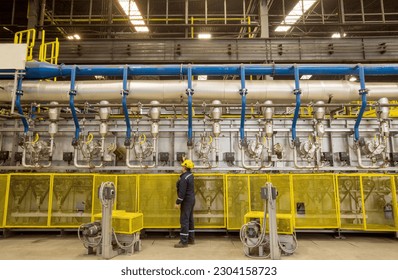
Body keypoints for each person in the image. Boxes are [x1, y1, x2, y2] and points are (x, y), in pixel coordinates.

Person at [174, 159, 195, 248]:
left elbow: (182, 192)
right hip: (191, 200)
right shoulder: (190, 175)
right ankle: (191, 239)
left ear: (185, 167)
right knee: (190, 219)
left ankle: (183, 241)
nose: (182, 167)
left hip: (186, 201)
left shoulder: (184, 178)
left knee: (184, 220)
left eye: (183, 166)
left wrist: (178, 202)